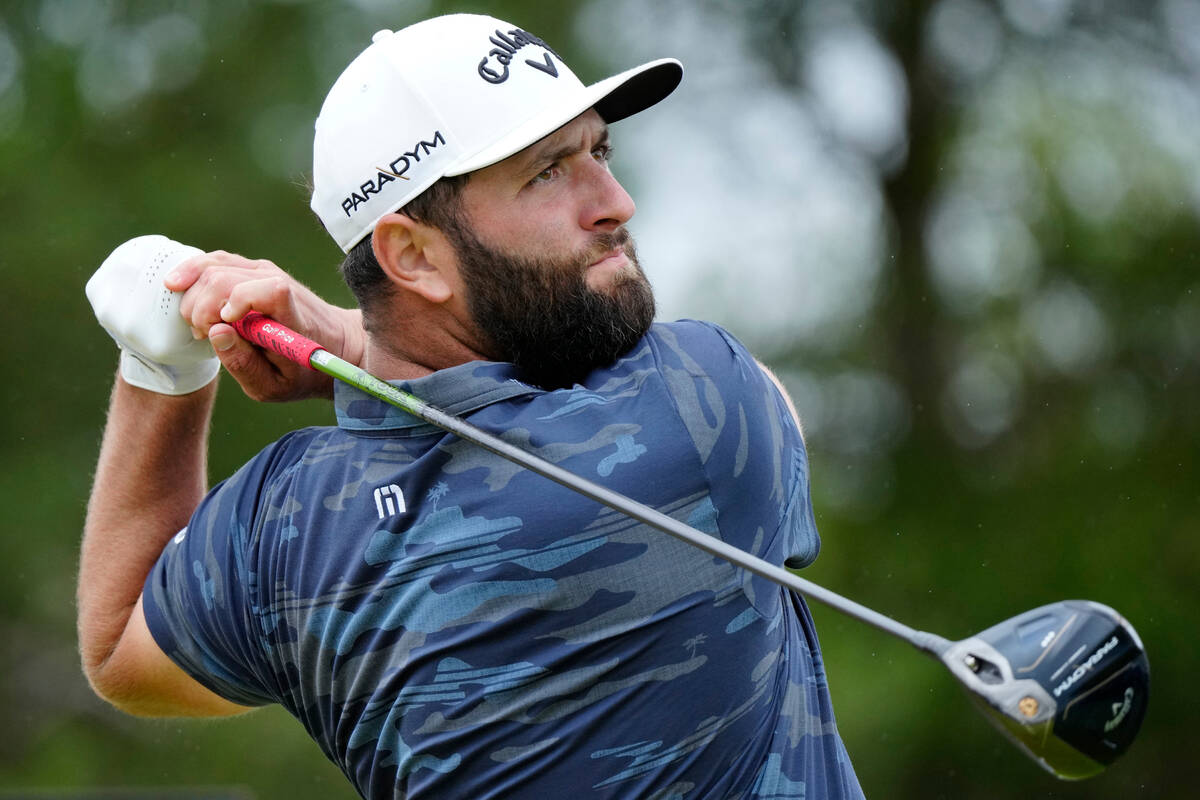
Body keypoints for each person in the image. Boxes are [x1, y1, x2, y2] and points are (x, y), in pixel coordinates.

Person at [78, 13, 866, 800]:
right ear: (412, 255)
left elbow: (116, 649)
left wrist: (162, 366)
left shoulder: (285, 528)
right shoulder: (696, 407)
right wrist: (342, 353)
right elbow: (781, 407)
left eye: (599, 150)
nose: (614, 201)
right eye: (547, 172)